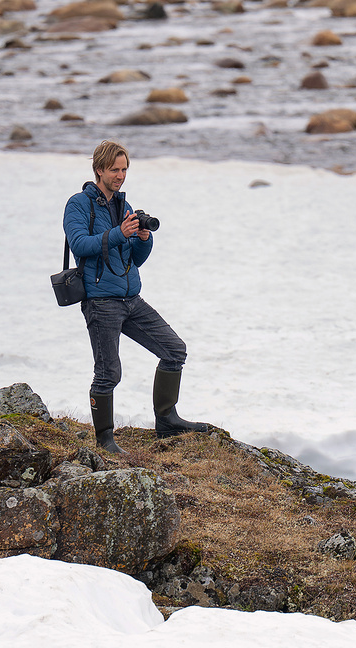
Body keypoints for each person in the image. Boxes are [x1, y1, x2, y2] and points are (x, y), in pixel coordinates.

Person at [63, 140, 211, 455]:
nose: (120, 175)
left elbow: (134, 260)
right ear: (99, 169)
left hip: (131, 299)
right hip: (101, 302)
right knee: (108, 372)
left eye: (125, 169)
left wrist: (142, 238)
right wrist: (120, 233)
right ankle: (105, 440)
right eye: (115, 169)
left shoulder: (124, 207)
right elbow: (81, 245)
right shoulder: (79, 205)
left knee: (174, 350)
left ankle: (167, 421)